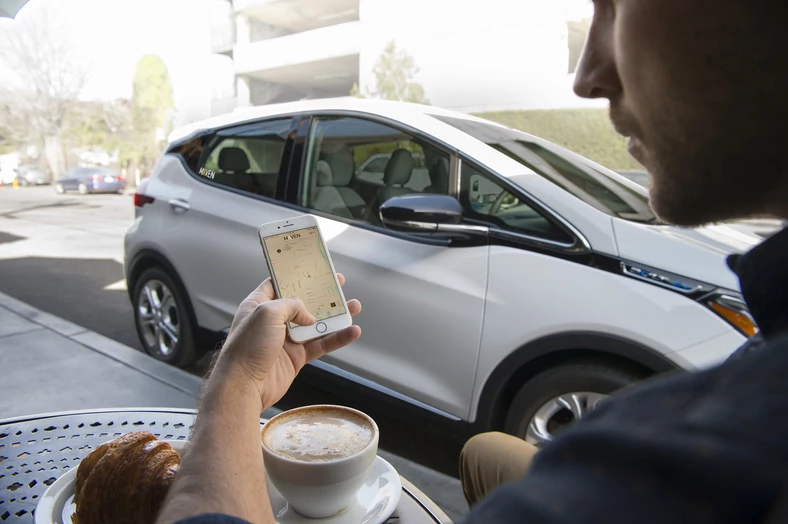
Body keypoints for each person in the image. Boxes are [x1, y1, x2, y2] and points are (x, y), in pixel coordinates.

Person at [155, 0, 788, 521]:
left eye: (616, 7)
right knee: (488, 450)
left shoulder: (674, 469)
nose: (586, 72)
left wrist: (234, 389)